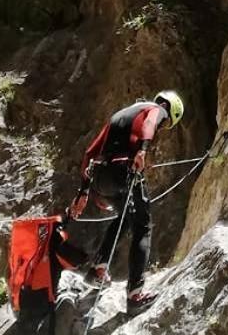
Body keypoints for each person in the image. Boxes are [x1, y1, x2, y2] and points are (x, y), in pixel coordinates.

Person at [70, 90, 184, 310]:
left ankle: (98, 269)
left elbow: (90, 152)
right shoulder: (156, 109)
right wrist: (142, 150)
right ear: (169, 109)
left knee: (124, 216)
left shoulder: (121, 114)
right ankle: (135, 295)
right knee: (142, 227)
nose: (162, 125)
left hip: (101, 178)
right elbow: (150, 122)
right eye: (166, 123)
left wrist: (85, 192)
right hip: (123, 172)